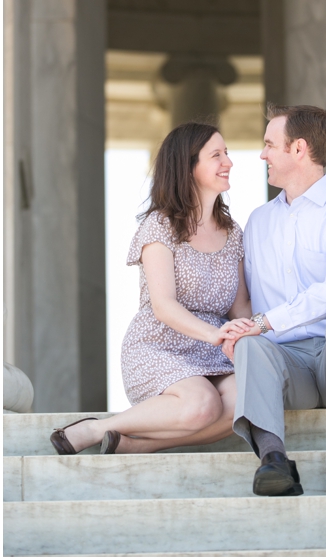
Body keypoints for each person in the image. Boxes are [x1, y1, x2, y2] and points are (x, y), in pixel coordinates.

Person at [50, 122, 254, 456]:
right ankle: (96, 428)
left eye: (227, 153)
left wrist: (255, 336)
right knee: (202, 405)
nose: (228, 162)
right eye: (216, 155)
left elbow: (240, 306)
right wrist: (215, 335)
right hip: (159, 346)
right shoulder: (159, 225)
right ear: (187, 166)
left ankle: (134, 447)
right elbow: (164, 306)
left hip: (214, 354)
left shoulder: (233, 232)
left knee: (244, 400)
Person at [222, 103, 326, 498]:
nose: (262, 154)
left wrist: (267, 321)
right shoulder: (258, 222)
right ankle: (274, 460)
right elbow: (248, 308)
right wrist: (239, 332)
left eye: (269, 144)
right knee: (250, 342)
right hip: (290, 369)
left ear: (298, 149)